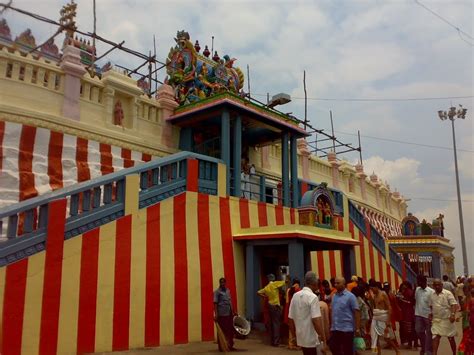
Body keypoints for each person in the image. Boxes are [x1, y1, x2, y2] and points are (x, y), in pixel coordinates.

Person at [288, 272, 328, 355]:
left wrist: (294, 336)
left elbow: (290, 318)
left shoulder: (295, 296)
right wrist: (323, 340)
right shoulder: (313, 297)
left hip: (301, 337)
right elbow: (316, 320)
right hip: (312, 339)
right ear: (314, 283)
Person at [329, 276, 361, 355]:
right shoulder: (334, 296)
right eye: (335, 283)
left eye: (338, 283)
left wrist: (357, 328)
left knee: (347, 351)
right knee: (334, 348)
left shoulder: (350, 297)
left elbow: (356, 312)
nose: (335, 284)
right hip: (335, 329)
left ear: (344, 284)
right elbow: (332, 311)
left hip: (347, 329)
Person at [370, 280, 400, 355]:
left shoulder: (383, 294)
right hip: (377, 317)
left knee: (387, 337)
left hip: (384, 317)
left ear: (376, 287)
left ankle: (397, 351)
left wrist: (388, 320)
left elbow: (389, 307)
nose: (372, 290)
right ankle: (378, 353)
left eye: (372, 288)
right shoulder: (374, 295)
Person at [429, 278, 458, 355]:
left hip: (447, 320)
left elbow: (453, 304)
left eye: (439, 285)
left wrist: (452, 314)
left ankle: (454, 353)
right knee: (435, 337)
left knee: (451, 338)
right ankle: (434, 353)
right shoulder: (432, 295)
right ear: (433, 286)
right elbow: (431, 306)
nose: (437, 286)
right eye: (435, 285)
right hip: (437, 320)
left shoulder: (448, 293)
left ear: (442, 285)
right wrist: (431, 314)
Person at [258, 273, 286, 347]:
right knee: (276, 324)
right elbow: (285, 282)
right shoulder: (275, 284)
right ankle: (276, 342)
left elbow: (258, 292)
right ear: (273, 278)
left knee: (272, 323)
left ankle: (272, 341)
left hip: (270, 305)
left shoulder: (266, 287)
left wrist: (264, 296)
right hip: (276, 305)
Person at [213, 277, 235, 351]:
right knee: (222, 330)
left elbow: (230, 301)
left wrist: (233, 310)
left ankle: (230, 345)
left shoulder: (228, 291)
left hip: (229, 313)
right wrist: (216, 314)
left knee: (230, 330)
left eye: (223, 282)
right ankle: (222, 347)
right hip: (222, 314)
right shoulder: (217, 292)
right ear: (219, 283)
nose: (222, 284)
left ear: (225, 283)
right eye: (221, 282)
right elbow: (215, 303)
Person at [415, 274, 434, 355]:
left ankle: (428, 351)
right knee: (419, 331)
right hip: (418, 314)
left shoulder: (431, 292)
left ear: (423, 281)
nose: (417, 282)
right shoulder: (417, 290)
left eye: (418, 281)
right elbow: (415, 300)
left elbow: (433, 305)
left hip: (428, 315)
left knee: (429, 334)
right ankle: (424, 347)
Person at [397, 282, 417, 349]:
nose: (404, 287)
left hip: (409, 313)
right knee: (409, 329)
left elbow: (411, 299)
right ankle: (411, 343)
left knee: (410, 329)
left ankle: (412, 343)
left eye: (405, 285)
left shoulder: (408, 292)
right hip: (406, 313)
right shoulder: (401, 293)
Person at [284, 277, 301, 350]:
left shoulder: (289, 290)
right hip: (297, 309)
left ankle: (291, 344)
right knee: (297, 327)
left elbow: (287, 301)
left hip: (289, 308)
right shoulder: (299, 290)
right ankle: (298, 344)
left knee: (291, 327)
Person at [352, 286, 370, 350]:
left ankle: (365, 344)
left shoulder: (357, 299)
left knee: (361, 330)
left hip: (363, 317)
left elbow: (357, 311)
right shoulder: (358, 298)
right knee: (362, 330)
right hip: (364, 316)